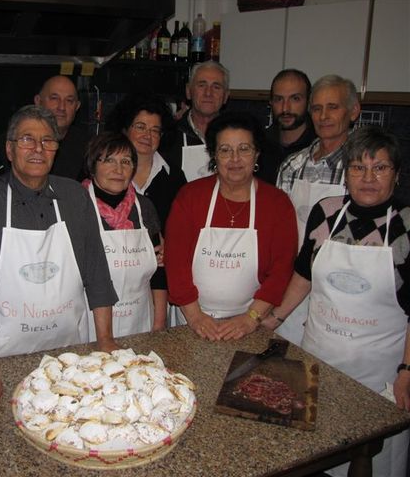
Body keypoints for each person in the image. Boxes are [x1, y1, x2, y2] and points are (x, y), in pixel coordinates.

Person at [265, 126, 409, 477]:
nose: (368, 178)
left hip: (377, 372)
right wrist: (274, 317)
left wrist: (407, 372)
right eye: (358, 168)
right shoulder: (327, 212)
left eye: (380, 168)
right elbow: (304, 273)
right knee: (316, 458)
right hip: (319, 359)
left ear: (397, 174)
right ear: (346, 175)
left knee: (373, 458)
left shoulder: (406, 223)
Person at [0, 105, 118, 417]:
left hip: (71, 358)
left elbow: (97, 277)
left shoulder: (73, 196)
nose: (38, 149)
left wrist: (105, 342)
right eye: (27, 140)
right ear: (9, 148)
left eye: (48, 141)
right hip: (7, 358)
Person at [165, 112, 297, 341]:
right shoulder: (190, 197)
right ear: (214, 156)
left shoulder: (277, 204)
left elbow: (281, 270)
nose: (235, 159)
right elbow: (175, 262)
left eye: (244, 149)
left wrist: (250, 318)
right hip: (189, 318)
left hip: (249, 321)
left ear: (257, 154)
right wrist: (195, 316)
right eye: (225, 150)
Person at [275, 74, 361, 345]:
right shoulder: (292, 165)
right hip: (292, 284)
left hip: (341, 289)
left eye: (333, 107)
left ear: (354, 111)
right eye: (316, 108)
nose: (324, 116)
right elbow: (278, 228)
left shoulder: (363, 168)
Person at [106, 93, 187, 329]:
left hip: (159, 280)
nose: (147, 135)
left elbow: (182, 229)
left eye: (155, 130)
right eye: (140, 126)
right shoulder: (105, 174)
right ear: (124, 129)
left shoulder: (174, 177)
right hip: (111, 280)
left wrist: (169, 247)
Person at [82, 132, 164, 338]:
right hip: (89, 321)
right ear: (93, 166)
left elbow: (160, 269)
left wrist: (160, 321)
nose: (118, 170)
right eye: (109, 160)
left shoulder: (144, 207)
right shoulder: (77, 206)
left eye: (126, 161)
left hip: (139, 318)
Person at [165, 61, 230, 181]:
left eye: (216, 87)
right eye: (201, 85)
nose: (208, 93)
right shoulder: (169, 137)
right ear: (188, 91)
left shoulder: (236, 138)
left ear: (226, 96)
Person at [259, 69, 317, 185]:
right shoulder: (259, 144)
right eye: (278, 99)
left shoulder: (318, 146)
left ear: (309, 101)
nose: (285, 108)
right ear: (271, 102)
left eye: (295, 99)